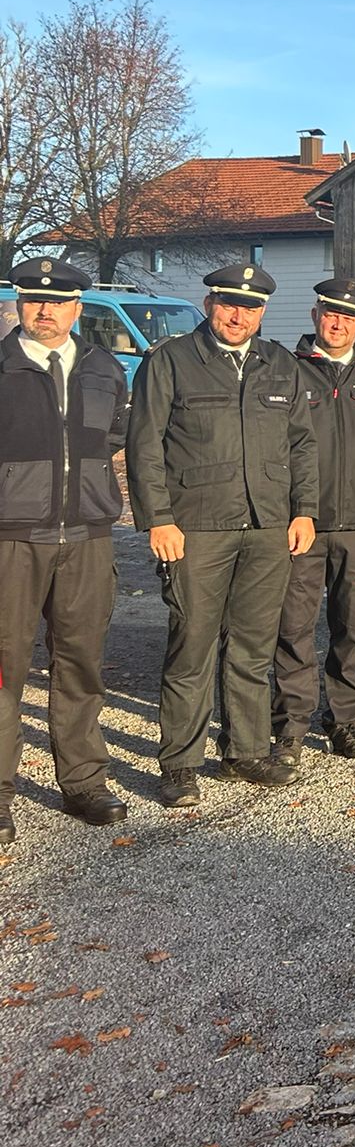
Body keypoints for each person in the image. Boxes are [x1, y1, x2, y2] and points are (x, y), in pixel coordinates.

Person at [126, 263, 318, 806]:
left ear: (262, 312)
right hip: (196, 527)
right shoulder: (171, 361)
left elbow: (302, 444)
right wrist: (158, 518)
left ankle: (245, 751)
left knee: (254, 646)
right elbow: (145, 446)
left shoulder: (280, 364)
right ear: (211, 303)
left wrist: (304, 511)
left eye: (251, 307)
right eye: (230, 304)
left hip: (267, 526)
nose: (240, 316)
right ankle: (181, 764)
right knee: (192, 645)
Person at [0, 258, 129, 836]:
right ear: (20, 305)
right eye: (33, 300)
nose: (44, 310)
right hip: (12, 537)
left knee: (80, 662)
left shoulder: (104, 369)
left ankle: (82, 781)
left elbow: (116, 437)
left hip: (87, 536)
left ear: (78, 307)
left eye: (57, 301)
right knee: (5, 667)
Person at [273, 278, 355, 764]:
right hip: (299, 524)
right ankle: (290, 727)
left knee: (351, 626)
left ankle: (346, 723)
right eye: (331, 313)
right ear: (315, 315)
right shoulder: (284, 371)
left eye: (349, 317)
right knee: (293, 628)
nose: (338, 323)